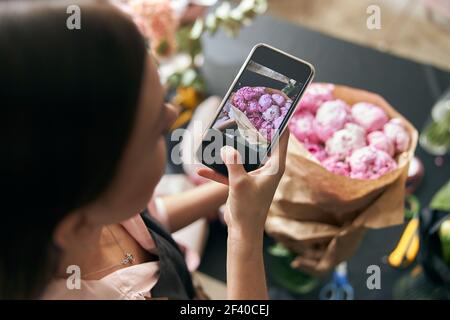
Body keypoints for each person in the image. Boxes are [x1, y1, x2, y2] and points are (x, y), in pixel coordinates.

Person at [0, 0, 289, 300]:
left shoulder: (90, 207)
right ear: (74, 225)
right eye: (157, 132)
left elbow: (148, 221)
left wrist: (231, 189)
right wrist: (245, 235)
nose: (173, 114)